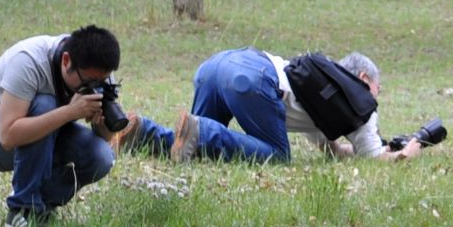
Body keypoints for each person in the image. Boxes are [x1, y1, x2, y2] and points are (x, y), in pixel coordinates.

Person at [113, 47, 422, 163]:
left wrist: (344, 152)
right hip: (252, 79)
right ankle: (204, 130)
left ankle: (144, 133)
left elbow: (333, 150)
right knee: (276, 156)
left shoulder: (324, 89)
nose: (375, 98)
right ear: (365, 78)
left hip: (218, 65)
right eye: (377, 90)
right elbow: (378, 160)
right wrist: (409, 150)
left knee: (193, 148)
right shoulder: (360, 103)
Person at [0, 25, 121, 227]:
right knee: (45, 104)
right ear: (66, 61)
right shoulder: (29, 62)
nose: (95, 85)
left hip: (47, 132)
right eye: (89, 81)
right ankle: (22, 210)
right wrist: (70, 112)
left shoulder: (96, 71)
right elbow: (7, 136)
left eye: (102, 81)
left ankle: (40, 207)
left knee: (101, 156)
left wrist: (102, 121)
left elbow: (106, 138)